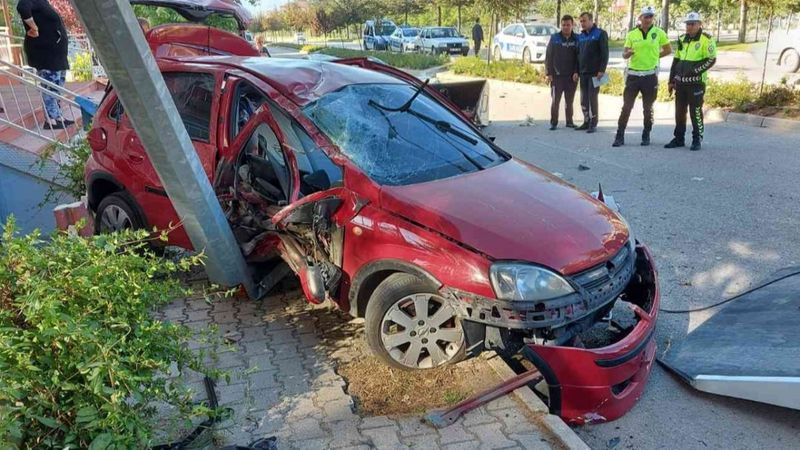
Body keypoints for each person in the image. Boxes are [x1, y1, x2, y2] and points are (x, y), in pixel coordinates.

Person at [612, 6, 671, 147]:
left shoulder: (659, 32)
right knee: (626, 106)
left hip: (650, 76)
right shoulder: (632, 34)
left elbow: (668, 49)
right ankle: (620, 135)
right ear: (640, 18)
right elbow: (624, 54)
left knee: (648, 107)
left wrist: (655, 56)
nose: (648, 19)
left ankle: (646, 134)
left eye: (651, 16)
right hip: (633, 75)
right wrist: (628, 53)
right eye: (645, 16)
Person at [16, 0, 72, 130]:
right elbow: (22, 7)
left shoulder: (42, 2)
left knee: (58, 85)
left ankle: (58, 116)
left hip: (57, 54)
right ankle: (50, 119)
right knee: (50, 85)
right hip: (46, 54)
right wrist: (33, 27)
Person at [666, 12, 716, 151]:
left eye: (693, 24)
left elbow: (711, 59)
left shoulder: (707, 39)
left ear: (700, 24)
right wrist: (671, 80)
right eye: (687, 24)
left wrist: (694, 71)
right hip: (681, 83)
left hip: (696, 83)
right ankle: (679, 138)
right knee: (679, 112)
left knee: (695, 112)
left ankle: (697, 139)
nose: (689, 26)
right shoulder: (682, 39)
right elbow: (676, 60)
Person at [576, 12, 609, 134]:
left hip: (595, 73)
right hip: (583, 72)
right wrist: (576, 71)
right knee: (583, 99)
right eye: (581, 21)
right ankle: (586, 121)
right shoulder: (581, 36)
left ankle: (593, 123)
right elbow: (578, 55)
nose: (582, 23)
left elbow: (605, 53)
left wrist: (601, 70)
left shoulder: (600, 34)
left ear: (591, 20)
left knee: (592, 98)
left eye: (584, 21)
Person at [545, 15, 579, 130]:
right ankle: (554, 122)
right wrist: (548, 73)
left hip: (571, 77)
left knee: (569, 101)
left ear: (572, 25)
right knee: (556, 101)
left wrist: (576, 72)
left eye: (568, 25)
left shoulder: (577, 39)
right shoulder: (555, 38)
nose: (565, 27)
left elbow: (579, 57)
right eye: (563, 25)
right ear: (561, 25)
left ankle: (569, 121)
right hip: (557, 76)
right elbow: (549, 56)